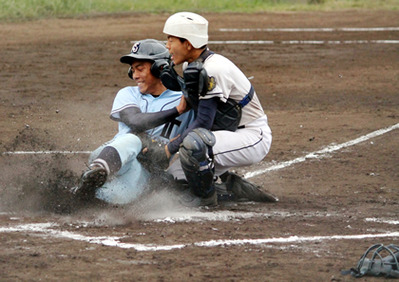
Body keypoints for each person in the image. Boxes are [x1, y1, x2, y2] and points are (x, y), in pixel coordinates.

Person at [161, 12, 275, 206]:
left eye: (171, 40)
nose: (167, 46)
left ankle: (206, 200)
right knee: (176, 180)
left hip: (252, 137)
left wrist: (169, 148)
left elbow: (204, 122)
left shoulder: (214, 69)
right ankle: (230, 187)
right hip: (225, 136)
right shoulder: (192, 65)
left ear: (188, 43)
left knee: (193, 146)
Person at [71, 39, 194, 205]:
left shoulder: (185, 99)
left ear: (160, 69)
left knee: (109, 200)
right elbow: (136, 121)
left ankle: (79, 193)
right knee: (134, 139)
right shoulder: (128, 94)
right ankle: (96, 172)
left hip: (142, 171)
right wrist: (177, 110)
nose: (134, 75)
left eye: (140, 69)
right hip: (112, 156)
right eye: (133, 69)